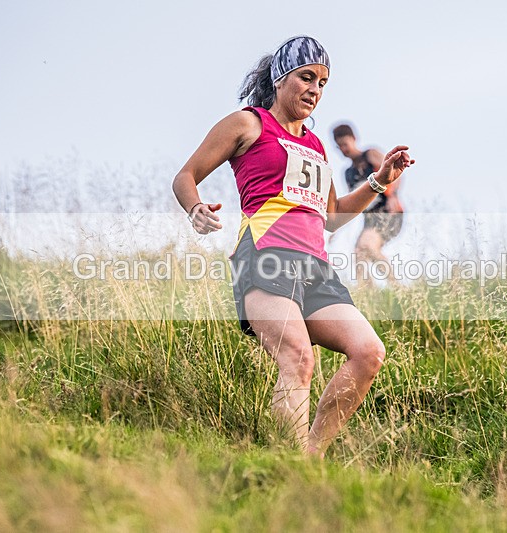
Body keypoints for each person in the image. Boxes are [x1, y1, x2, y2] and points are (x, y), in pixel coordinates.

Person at [171, 36, 414, 457]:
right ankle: (288, 466)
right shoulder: (248, 123)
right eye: (306, 78)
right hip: (266, 258)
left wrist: (380, 182)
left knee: (369, 352)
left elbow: (333, 215)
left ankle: (310, 458)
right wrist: (195, 209)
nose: (315, 90)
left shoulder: (316, 146)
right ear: (280, 78)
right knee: (299, 359)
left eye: (322, 83)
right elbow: (186, 175)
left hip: (315, 267)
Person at [332, 124, 405, 282]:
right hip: (369, 220)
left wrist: (392, 195)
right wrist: (336, 227)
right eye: (339, 147)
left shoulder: (370, 154)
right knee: (359, 255)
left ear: (354, 139)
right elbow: (352, 203)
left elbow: (395, 172)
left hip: (387, 213)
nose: (343, 149)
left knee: (367, 245)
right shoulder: (348, 173)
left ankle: (399, 289)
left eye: (345, 144)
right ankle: (368, 298)